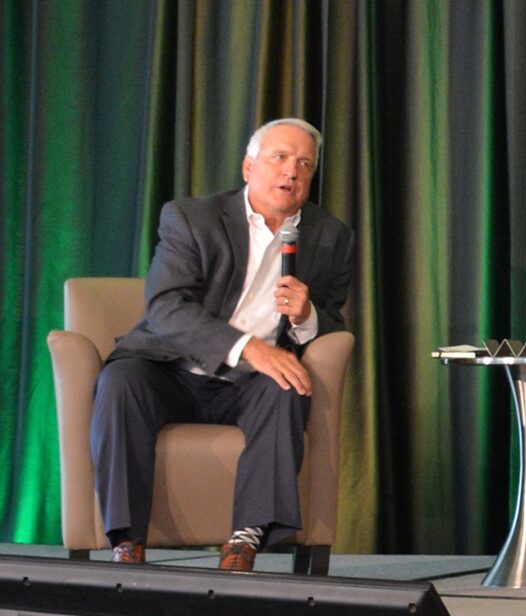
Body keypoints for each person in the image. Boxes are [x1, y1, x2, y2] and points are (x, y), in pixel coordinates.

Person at [93, 118, 355, 571]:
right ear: (248, 166)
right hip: (171, 367)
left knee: (290, 385)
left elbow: (333, 320)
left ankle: (244, 541)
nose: (291, 172)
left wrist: (308, 315)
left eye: (304, 164)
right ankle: (126, 540)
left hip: (249, 385)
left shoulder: (331, 237)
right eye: (280, 158)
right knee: (119, 381)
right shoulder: (192, 218)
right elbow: (166, 307)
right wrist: (248, 347)